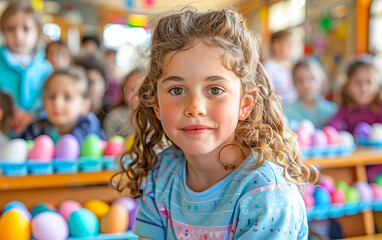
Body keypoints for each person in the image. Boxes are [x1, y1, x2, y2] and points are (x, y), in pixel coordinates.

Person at [112, 9, 317, 239]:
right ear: (156, 105)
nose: (195, 107)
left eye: (215, 90)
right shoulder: (162, 174)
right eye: (177, 90)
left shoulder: (267, 194)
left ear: (245, 104)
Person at [0, 1, 53, 134]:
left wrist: (32, 116)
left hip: (37, 132)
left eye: (26, 29)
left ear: (38, 32)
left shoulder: (46, 68)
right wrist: (10, 113)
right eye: (10, 28)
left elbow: (48, 99)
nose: (18, 34)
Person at [21, 67, 105, 144]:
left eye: (67, 97)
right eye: (51, 96)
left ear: (84, 105)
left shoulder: (89, 124)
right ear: (43, 101)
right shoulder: (36, 128)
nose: (57, 103)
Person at [327, 58, 382, 134]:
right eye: (358, 82)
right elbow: (332, 127)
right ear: (347, 86)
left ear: (378, 85)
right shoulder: (345, 109)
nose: (364, 88)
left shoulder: (380, 108)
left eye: (369, 82)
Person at [284, 58, 337, 128]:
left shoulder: (331, 110)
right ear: (293, 83)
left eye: (311, 78)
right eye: (300, 80)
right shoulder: (287, 112)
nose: (305, 84)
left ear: (321, 80)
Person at [103, 68, 145, 139]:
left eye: (141, 90)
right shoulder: (115, 116)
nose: (136, 95)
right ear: (123, 91)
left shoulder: (152, 117)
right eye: (131, 89)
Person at [263, 29, 298, 106]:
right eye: (289, 45)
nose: (292, 49)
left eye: (293, 45)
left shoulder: (286, 68)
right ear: (276, 45)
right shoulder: (268, 68)